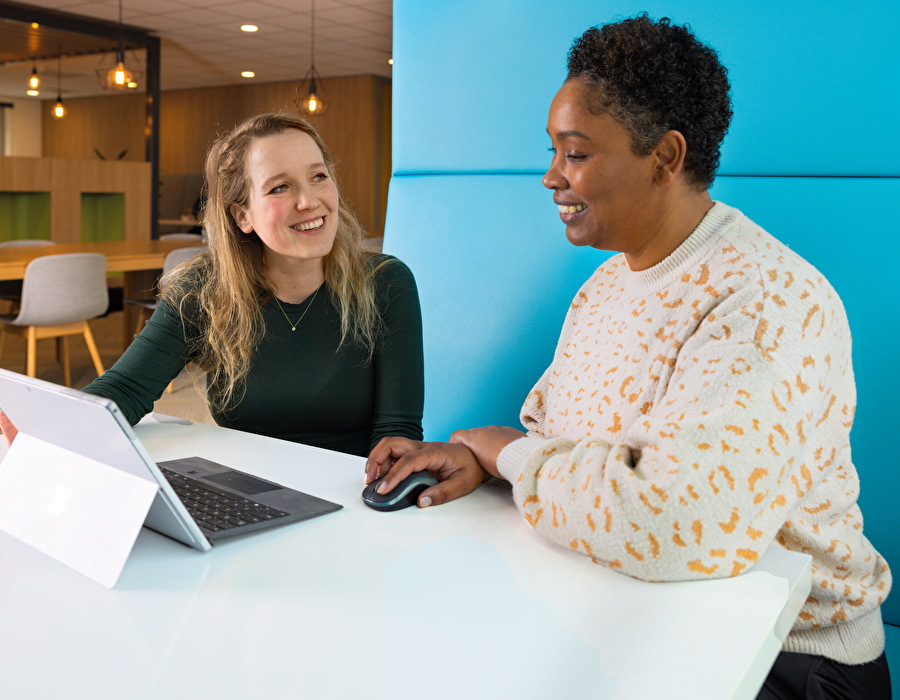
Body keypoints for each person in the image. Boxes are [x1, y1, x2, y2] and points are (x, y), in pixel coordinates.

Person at [365, 14, 891, 698]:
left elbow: (678, 524)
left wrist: (509, 456)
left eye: (575, 153)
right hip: (634, 613)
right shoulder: (607, 285)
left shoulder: (771, 300)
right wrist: (484, 462)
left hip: (785, 658)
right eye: (553, 150)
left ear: (666, 158)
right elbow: (565, 446)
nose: (552, 176)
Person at [1, 112, 424, 458]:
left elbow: (398, 429)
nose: (309, 201)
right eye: (280, 187)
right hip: (246, 491)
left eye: (318, 176)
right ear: (243, 217)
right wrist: (49, 425)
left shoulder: (385, 283)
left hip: (352, 491)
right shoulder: (202, 290)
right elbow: (127, 389)